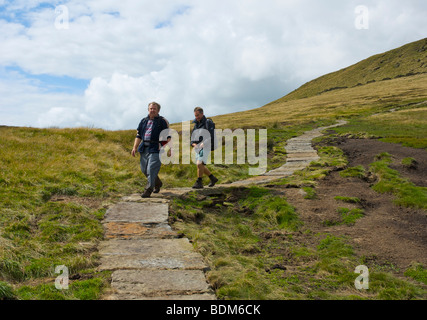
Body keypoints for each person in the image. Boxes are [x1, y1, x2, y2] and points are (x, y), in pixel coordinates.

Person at [132, 102, 170, 198]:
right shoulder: (143, 121)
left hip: (156, 148)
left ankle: (148, 189)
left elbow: (167, 136)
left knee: (151, 169)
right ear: (148, 109)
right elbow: (139, 135)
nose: (152, 110)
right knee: (144, 170)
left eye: (154, 108)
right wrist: (134, 147)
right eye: (151, 108)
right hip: (144, 148)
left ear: (158, 110)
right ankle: (157, 183)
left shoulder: (162, 121)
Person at [190, 107, 218, 189]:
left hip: (206, 146)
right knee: (200, 165)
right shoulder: (196, 125)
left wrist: (203, 143)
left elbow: (211, 136)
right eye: (195, 115)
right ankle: (213, 178)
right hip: (197, 148)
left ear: (202, 113)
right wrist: (193, 144)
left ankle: (199, 182)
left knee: (199, 163)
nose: (197, 117)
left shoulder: (208, 122)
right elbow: (192, 138)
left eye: (198, 115)